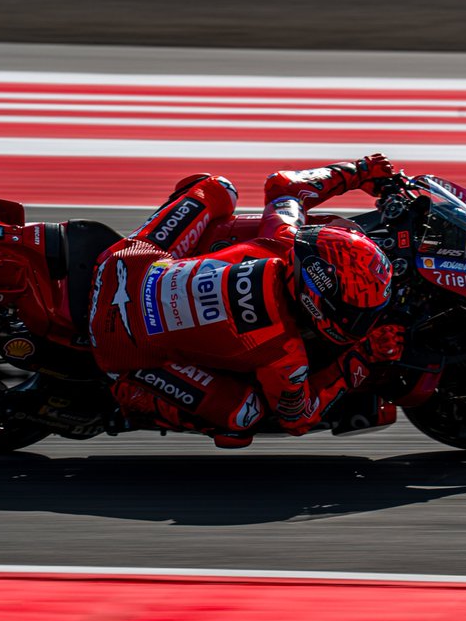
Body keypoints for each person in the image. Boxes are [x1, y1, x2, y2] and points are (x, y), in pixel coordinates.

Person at [88, 154, 405, 448]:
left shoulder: (282, 239)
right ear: (316, 298)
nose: (365, 320)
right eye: (358, 312)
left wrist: (359, 171)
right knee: (243, 416)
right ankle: (129, 392)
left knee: (219, 189)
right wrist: (360, 359)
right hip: (121, 346)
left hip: (126, 264)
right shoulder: (285, 352)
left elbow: (285, 185)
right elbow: (299, 417)